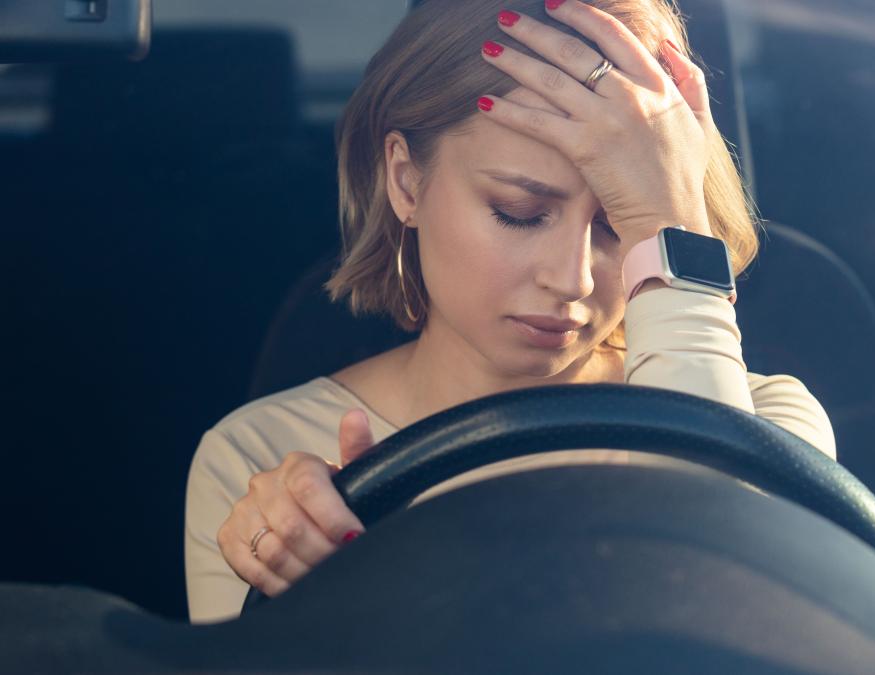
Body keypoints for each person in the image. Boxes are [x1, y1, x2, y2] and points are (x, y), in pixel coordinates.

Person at [184, 0, 836, 625]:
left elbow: (727, 619)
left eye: (620, 229)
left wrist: (671, 228)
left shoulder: (769, 428)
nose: (572, 278)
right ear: (406, 182)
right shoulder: (261, 466)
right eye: (518, 212)